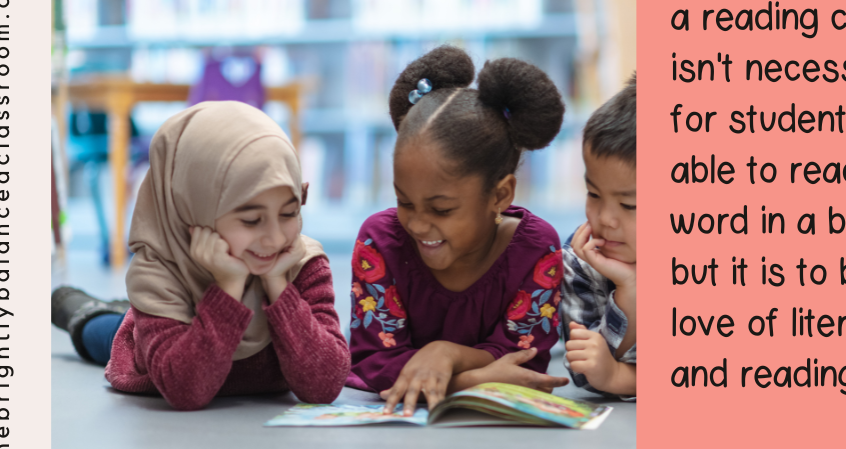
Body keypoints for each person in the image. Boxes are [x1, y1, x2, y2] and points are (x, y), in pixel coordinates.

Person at [51, 101, 350, 411]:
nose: (275, 239)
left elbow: (324, 385)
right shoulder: (159, 273)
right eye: (250, 220)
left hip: (193, 322)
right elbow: (186, 390)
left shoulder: (301, 263)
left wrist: (278, 285)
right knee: (105, 332)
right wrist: (229, 288)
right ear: (195, 205)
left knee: (131, 316)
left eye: (289, 213)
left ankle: (124, 310)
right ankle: (82, 309)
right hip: (153, 351)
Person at [347, 45, 570, 415]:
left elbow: (523, 363)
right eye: (405, 201)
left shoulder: (537, 249)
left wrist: (444, 353)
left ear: (500, 195)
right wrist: (469, 380)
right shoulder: (380, 241)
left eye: (442, 209)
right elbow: (374, 362)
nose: (417, 224)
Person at [562, 73, 637, 399]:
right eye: (593, 194)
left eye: (629, 205)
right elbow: (587, 371)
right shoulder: (580, 260)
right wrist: (629, 294)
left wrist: (621, 377)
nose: (605, 218)